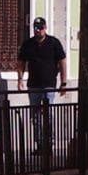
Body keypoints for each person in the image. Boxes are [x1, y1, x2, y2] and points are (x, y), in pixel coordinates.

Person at [18, 16, 67, 149]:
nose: (37, 30)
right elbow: (21, 61)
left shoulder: (54, 43)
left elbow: (62, 62)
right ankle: (39, 144)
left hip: (49, 84)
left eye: (40, 28)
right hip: (33, 85)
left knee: (48, 114)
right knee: (35, 116)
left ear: (45, 28)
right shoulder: (28, 44)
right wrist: (20, 79)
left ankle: (49, 143)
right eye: (35, 28)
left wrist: (63, 83)